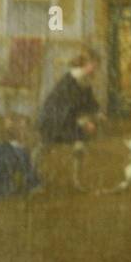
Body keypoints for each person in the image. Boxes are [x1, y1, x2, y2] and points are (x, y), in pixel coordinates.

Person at [34, 49, 103, 192]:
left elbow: (89, 101)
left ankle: (77, 181)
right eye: (94, 65)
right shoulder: (71, 81)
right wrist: (85, 122)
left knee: (79, 145)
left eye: (97, 65)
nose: (96, 69)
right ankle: (31, 177)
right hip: (55, 119)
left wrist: (98, 112)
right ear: (86, 64)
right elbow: (69, 108)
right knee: (44, 147)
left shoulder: (83, 79)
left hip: (67, 119)